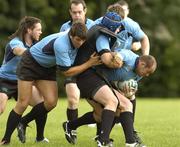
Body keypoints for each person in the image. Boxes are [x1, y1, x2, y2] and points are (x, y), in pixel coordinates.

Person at [0, 21, 101, 145]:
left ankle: (23, 122)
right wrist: (89, 63)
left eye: (82, 40)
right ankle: (6, 140)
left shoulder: (80, 39)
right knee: (23, 103)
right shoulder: (61, 44)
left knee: (51, 102)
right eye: (77, 40)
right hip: (30, 64)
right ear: (70, 35)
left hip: (47, 67)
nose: (80, 43)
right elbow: (67, 72)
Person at [62, 12, 142, 147]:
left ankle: (131, 142)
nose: (119, 30)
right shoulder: (102, 36)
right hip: (86, 76)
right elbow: (106, 59)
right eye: (118, 28)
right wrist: (117, 62)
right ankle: (103, 141)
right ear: (114, 27)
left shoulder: (97, 28)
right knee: (112, 101)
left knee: (122, 106)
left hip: (95, 75)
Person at [63, 49, 157, 147]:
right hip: (92, 78)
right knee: (114, 103)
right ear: (142, 64)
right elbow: (118, 56)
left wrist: (126, 92)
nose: (147, 75)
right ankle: (106, 140)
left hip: (107, 84)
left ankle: (71, 125)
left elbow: (123, 87)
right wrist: (117, 58)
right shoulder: (129, 56)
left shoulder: (138, 74)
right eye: (147, 72)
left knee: (103, 114)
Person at [0, 16, 49, 143]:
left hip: (23, 80)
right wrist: (35, 54)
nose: (41, 32)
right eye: (38, 29)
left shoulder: (37, 44)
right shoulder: (16, 42)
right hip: (5, 80)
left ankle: (40, 138)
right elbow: (19, 51)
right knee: (1, 107)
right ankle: (6, 140)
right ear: (28, 30)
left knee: (42, 106)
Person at [59, 0, 95, 124]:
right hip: (72, 69)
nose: (77, 15)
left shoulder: (93, 26)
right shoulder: (64, 27)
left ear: (85, 11)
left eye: (80, 12)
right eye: (74, 13)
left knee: (99, 104)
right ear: (70, 12)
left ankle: (99, 136)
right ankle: (71, 130)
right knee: (73, 99)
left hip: (91, 69)